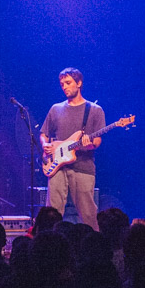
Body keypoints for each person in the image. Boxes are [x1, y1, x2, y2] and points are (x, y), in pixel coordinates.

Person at [40, 67, 104, 231]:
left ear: (79, 83)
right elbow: (44, 134)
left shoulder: (94, 110)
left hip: (83, 167)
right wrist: (45, 144)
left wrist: (88, 144)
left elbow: (96, 141)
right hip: (56, 168)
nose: (64, 87)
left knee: (88, 214)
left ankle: (94, 246)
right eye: (62, 84)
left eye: (68, 83)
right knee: (52, 213)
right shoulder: (56, 109)